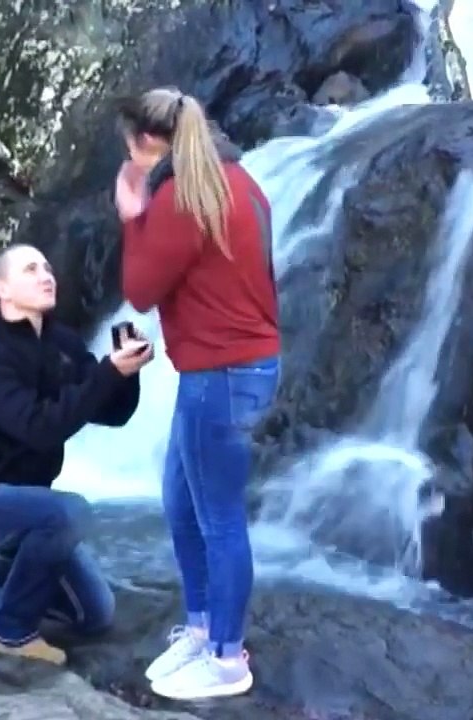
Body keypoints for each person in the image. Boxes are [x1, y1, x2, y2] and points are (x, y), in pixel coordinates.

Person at [113, 87, 281, 699]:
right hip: (226, 368)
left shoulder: (184, 195)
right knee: (181, 502)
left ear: (145, 142)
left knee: (218, 517)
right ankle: (204, 626)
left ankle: (227, 660)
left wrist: (133, 213)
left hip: (226, 373)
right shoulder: (237, 179)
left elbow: (139, 288)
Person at [0, 243, 155, 665]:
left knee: (95, 614)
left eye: (48, 267)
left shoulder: (62, 343)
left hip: (30, 508)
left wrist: (125, 373)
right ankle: (9, 631)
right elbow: (39, 429)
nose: (46, 274)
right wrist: (107, 373)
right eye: (30, 269)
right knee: (69, 513)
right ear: (3, 289)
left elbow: (113, 412)